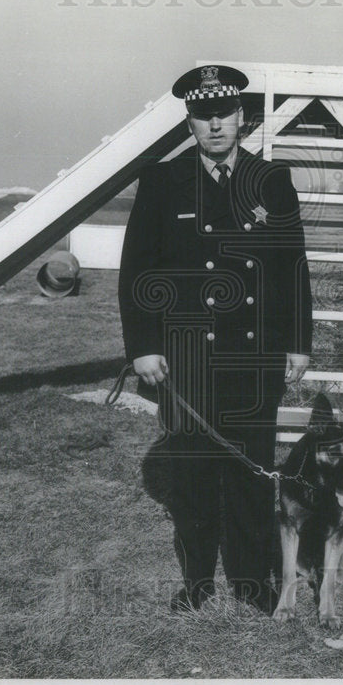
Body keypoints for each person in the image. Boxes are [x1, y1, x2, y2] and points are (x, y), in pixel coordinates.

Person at [119, 64, 312, 614]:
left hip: (254, 355)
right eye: (204, 116)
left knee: (251, 472)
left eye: (224, 114)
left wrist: (298, 340)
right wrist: (143, 345)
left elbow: (292, 267)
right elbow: (138, 271)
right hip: (187, 356)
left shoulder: (271, 180)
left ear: (241, 117)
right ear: (190, 123)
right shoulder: (163, 181)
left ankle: (252, 581)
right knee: (192, 473)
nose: (215, 125)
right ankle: (197, 580)